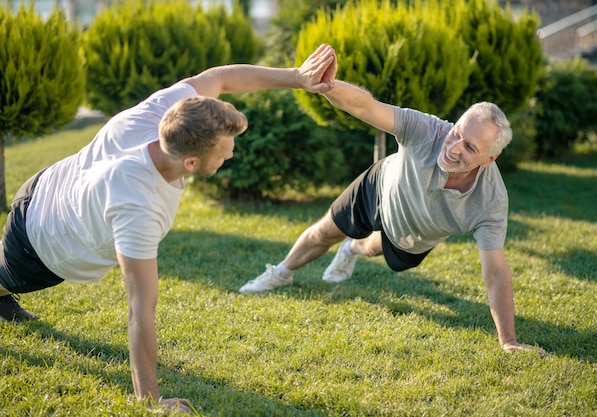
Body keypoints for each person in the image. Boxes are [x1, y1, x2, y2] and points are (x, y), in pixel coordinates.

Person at [0, 44, 337, 413]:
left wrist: (297, 78)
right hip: (38, 246)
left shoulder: (170, 114)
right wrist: (150, 400)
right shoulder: (137, 204)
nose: (232, 155)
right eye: (225, 151)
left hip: (44, 184)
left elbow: (221, 79)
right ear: (191, 161)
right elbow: (140, 309)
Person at [240, 46, 545, 355]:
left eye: (469, 148)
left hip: (415, 233)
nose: (453, 148)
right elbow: (367, 107)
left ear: (489, 159)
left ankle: (351, 249)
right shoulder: (426, 130)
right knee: (325, 231)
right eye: (455, 134)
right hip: (381, 185)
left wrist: (508, 341)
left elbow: (495, 271)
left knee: (372, 247)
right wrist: (329, 86)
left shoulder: (490, 201)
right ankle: (280, 273)